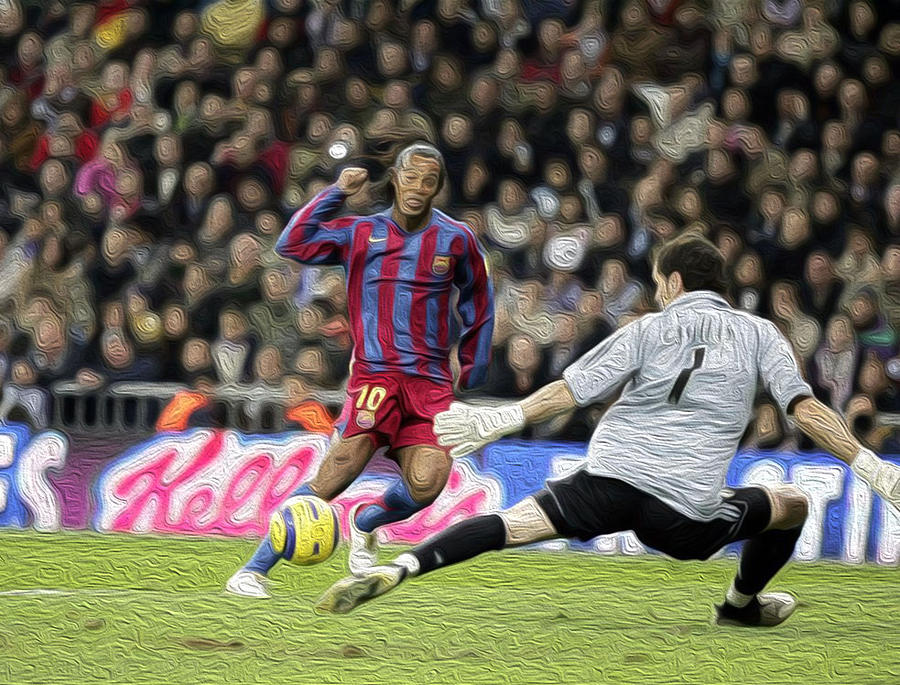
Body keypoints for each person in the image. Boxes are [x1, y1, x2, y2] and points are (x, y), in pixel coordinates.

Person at [317, 234, 900, 626]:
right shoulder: (760, 334)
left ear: (670, 283)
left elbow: (572, 389)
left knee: (509, 525)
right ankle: (739, 605)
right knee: (790, 504)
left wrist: (502, 417)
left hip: (609, 479)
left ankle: (405, 565)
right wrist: (868, 464)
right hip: (683, 512)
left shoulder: (647, 330)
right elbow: (802, 408)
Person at [227, 142, 494, 598]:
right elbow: (292, 242)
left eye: (429, 182)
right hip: (376, 376)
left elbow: (479, 301)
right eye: (411, 177)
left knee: (428, 484)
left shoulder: (456, 239)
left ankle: (367, 520)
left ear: (437, 188)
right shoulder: (361, 232)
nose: (418, 188)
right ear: (395, 178)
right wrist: (336, 192)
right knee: (340, 469)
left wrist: (474, 359)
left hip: (430, 384)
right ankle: (252, 571)